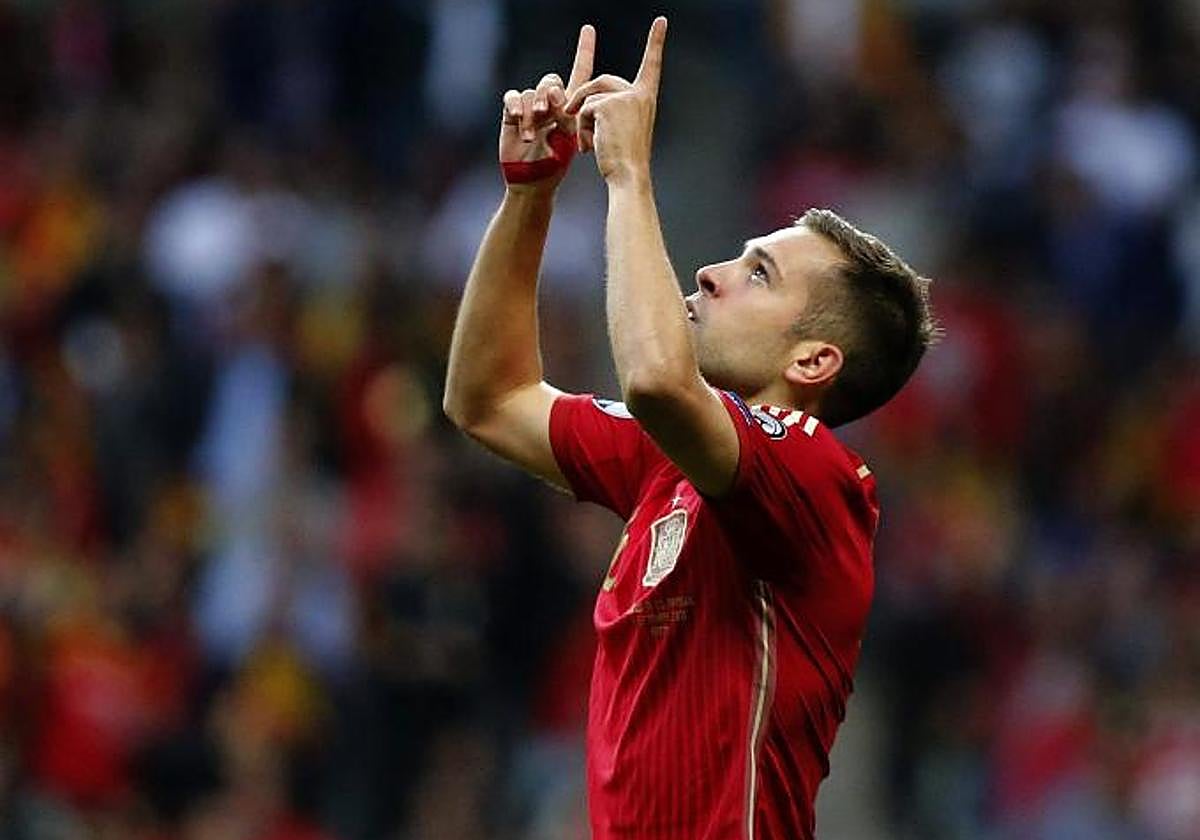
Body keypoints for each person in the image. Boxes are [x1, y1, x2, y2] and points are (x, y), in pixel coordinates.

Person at [443, 17, 939, 840]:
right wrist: (529, 197)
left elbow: (655, 379)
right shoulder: (663, 460)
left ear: (814, 361)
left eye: (758, 274)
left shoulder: (816, 476)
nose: (710, 273)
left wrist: (629, 176)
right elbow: (487, 400)